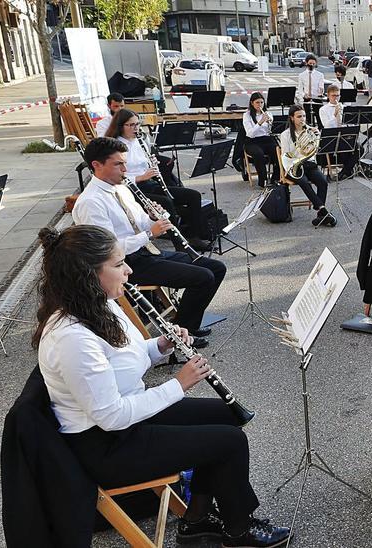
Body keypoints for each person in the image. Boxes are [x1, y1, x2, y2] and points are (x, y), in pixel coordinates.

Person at [33, 224, 291, 548]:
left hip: (128, 419)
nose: (128, 269)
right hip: (105, 444)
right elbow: (111, 416)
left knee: (226, 416)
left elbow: (130, 355)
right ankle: (239, 529)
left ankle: (195, 520)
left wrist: (161, 345)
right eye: (117, 264)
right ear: (88, 273)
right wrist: (178, 385)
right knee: (229, 442)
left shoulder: (100, 303)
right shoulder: (71, 337)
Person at [73, 137, 227, 344]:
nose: (125, 169)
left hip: (146, 252)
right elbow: (107, 250)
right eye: (118, 164)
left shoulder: (120, 188)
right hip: (125, 264)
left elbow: (139, 221)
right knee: (203, 277)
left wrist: (153, 218)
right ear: (97, 165)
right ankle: (181, 335)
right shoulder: (91, 202)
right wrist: (150, 233)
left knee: (216, 268)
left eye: (125, 163)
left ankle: (184, 325)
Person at [102, 109, 212, 253]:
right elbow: (116, 175)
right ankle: (180, 244)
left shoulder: (140, 140)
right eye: (131, 125)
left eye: (137, 124)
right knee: (166, 203)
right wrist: (141, 177)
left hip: (149, 184)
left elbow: (144, 164)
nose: (136, 128)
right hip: (130, 189)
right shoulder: (115, 146)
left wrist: (152, 163)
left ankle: (194, 236)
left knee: (193, 195)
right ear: (120, 126)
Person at [278, 105, 338, 227]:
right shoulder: (285, 135)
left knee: (323, 182)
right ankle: (323, 210)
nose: (302, 119)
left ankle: (321, 216)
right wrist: (301, 150)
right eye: (299, 116)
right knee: (304, 182)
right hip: (293, 166)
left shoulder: (311, 131)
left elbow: (316, 150)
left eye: (304, 116)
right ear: (292, 118)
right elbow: (286, 154)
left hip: (309, 164)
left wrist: (318, 137)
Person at [318, 84, 356, 180]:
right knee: (342, 149)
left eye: (337, 95)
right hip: (332, 137)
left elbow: (350, 123)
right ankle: (346, 171)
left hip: (344, 135)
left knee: (359, 148)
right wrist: (334, 115)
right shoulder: (323, 109)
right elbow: (326, 125)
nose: (336, 98)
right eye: (333, 96)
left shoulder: (344, 107)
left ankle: (344, 171)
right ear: (328, 96)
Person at [240, 91, 279, 187]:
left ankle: (275, 178)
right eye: (257, 102)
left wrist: (270, 124)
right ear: (252, 103)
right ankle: (263, 181)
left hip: (266, 139)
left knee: (278, 153)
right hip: (252, 141)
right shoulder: (247, 115)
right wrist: (260, 122)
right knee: (259, 155)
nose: (260, 105)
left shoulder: (268, 113)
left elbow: (269, 131)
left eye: (262, 102)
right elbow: (250, 133)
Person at [296, 53, 326, 120]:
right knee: (308, 119)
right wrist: (303, 96)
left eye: (313, 64)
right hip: (307, 99)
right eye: (310, 63)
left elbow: (321, 87)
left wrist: (321, 91)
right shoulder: (301, 75)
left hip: (317, 99)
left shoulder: (320, 75)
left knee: (319, 118)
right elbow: (300, 89)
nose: (312, 65)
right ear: (306, 63)